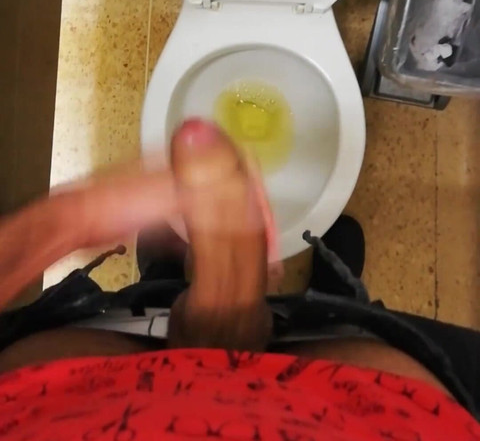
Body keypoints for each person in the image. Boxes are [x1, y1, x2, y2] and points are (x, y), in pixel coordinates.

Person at [0, 118, 479, 440]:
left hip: (68, 399)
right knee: (342, 325)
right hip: (363, 406)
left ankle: (166, 277)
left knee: (141, 301)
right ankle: (328, 299)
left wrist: (64, 222)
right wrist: (63, 223)